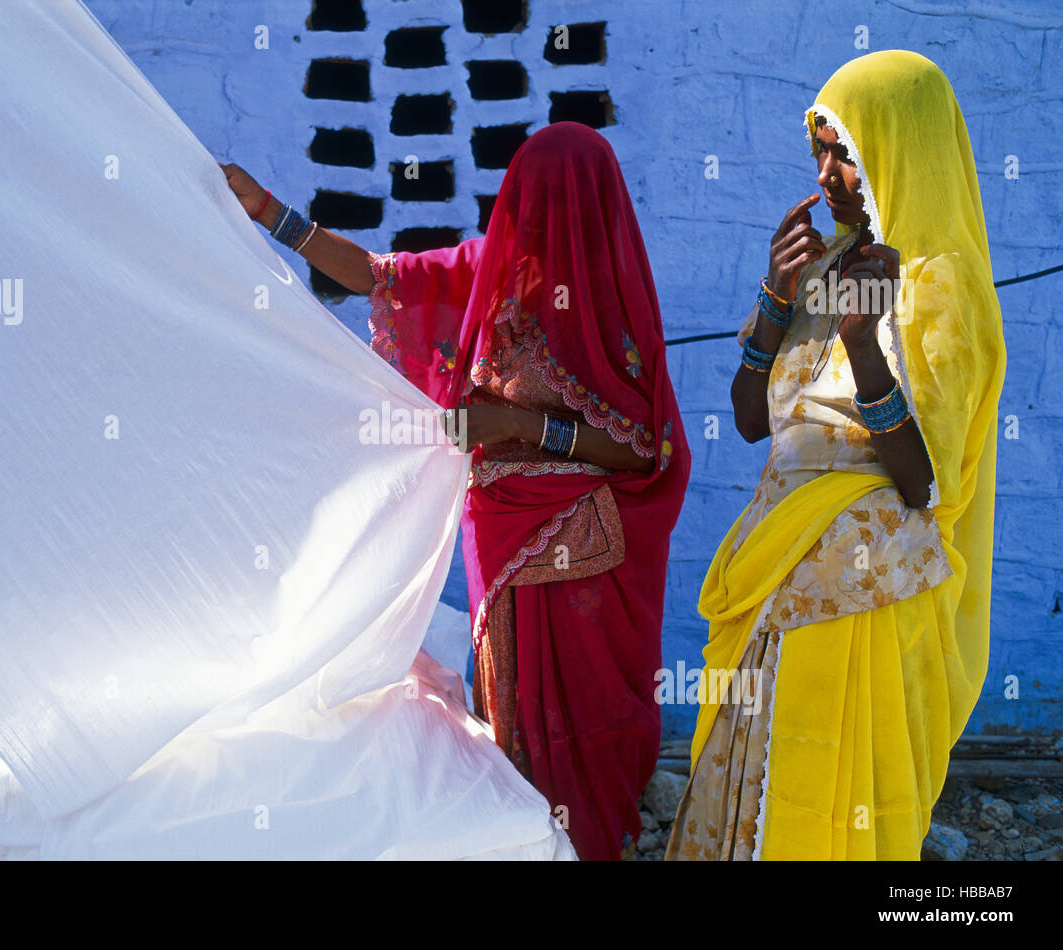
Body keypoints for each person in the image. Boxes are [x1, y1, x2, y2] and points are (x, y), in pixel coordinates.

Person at [221, 121, 690, 860]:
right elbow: (376, 275)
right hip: (500, 532)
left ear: (598, 205)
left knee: (589, 701)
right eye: (533, 196)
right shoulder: (490, 270)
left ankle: (591, 839)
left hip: (585, 544)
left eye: (564, 200)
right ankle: (529, 839)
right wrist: (270, 212)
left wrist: (520, 424)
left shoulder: (613, 301)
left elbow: (646, 447)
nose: (545, 216)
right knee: (515, 706)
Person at [665, 50, 1006, 860]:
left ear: (898, 149)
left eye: (844, 153)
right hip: (777, 558)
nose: (826, 175)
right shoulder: (821, 263)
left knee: (829, 791)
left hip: (860, 583)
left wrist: (865, 345)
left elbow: (925, 484)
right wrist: (774, 302)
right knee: (752, 782)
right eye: (818, 152)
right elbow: (753, 424)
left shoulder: (939, 285)